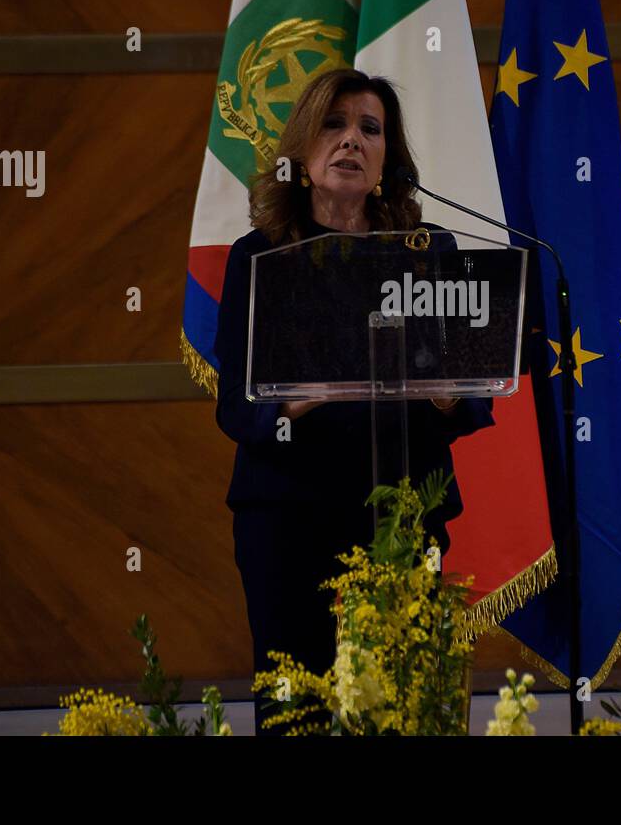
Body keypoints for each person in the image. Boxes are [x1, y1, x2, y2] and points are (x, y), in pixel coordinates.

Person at [212, 68, 495, 735]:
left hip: (401, 508)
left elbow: (471, 398)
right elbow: (234, 407)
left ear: (387, 162)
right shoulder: (258, 258)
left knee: (403, 699)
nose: (350, 141)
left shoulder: (429, 256)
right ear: (302, 155)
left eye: (370, 129)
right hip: (287, 513)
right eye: (333, 125)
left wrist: (454, 397)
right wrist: (290, 404)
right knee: (294, 709)